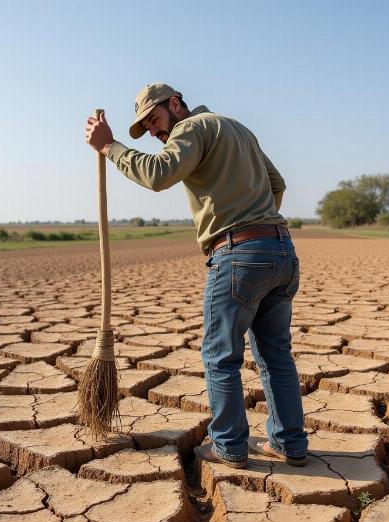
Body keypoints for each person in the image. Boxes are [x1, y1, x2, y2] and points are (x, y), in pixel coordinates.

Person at [85, 83, 308, 468]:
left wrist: (110, 147)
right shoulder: (236, 128)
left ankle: (229, 447)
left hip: (238, 253)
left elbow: (158, 174)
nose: (155, 132)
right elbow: (277, 185)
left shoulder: (192, 128)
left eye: (154, 120)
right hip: (282, 250)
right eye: (148, 128)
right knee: (276, 356)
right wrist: (257, 218)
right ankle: (289, 444)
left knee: (220, 357)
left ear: (175, 104)